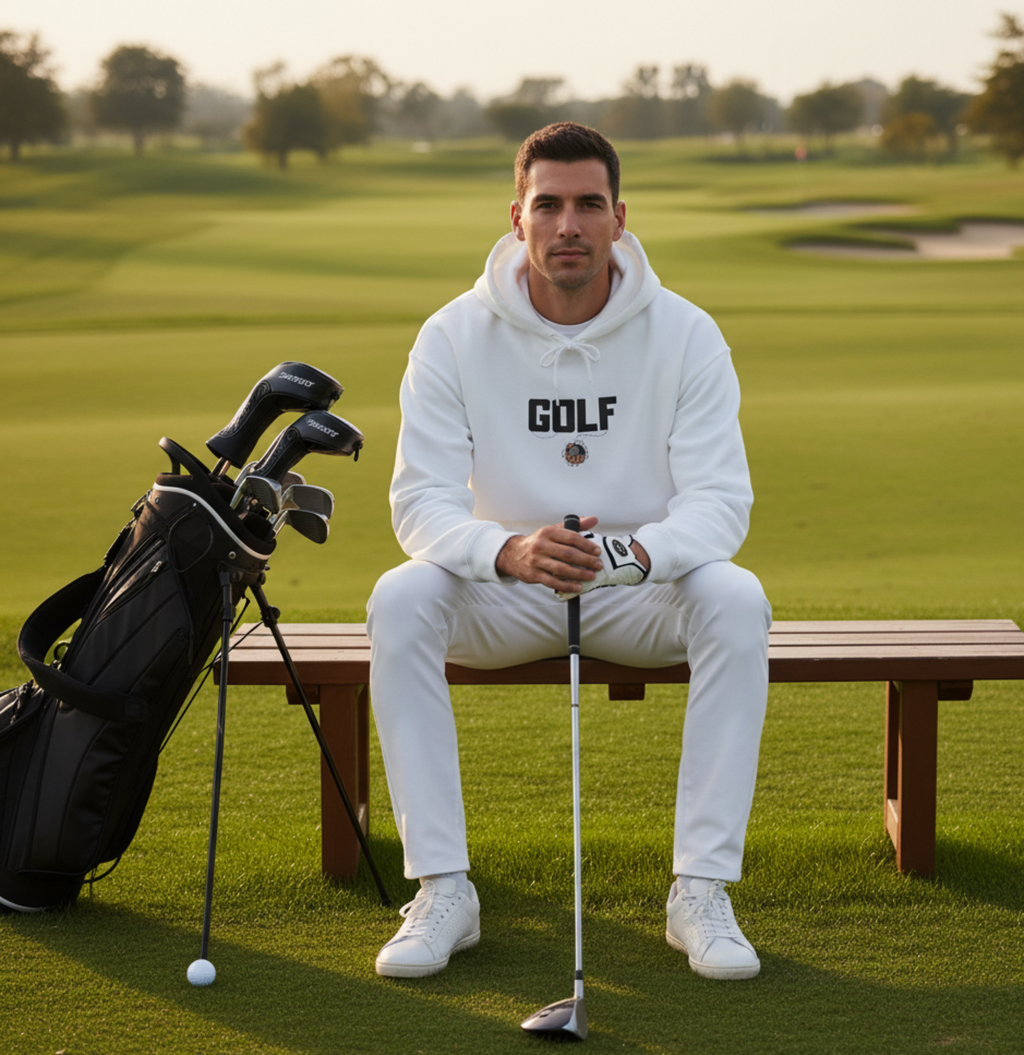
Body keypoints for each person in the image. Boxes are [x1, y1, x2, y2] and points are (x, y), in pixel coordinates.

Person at [367, 122, 771, 982]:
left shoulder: (687, 332)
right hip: (504, 590)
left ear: (620, 218)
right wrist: (504, 548)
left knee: (737, 598)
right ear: (517, 216)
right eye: (547, 205)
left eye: (589, 204)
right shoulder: (451, 334)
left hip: (634, 586)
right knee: (399, 597)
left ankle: (699, 890)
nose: (568, 226)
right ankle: (443, 888)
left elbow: (720, 503)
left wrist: (630, 553)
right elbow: (420, 503)